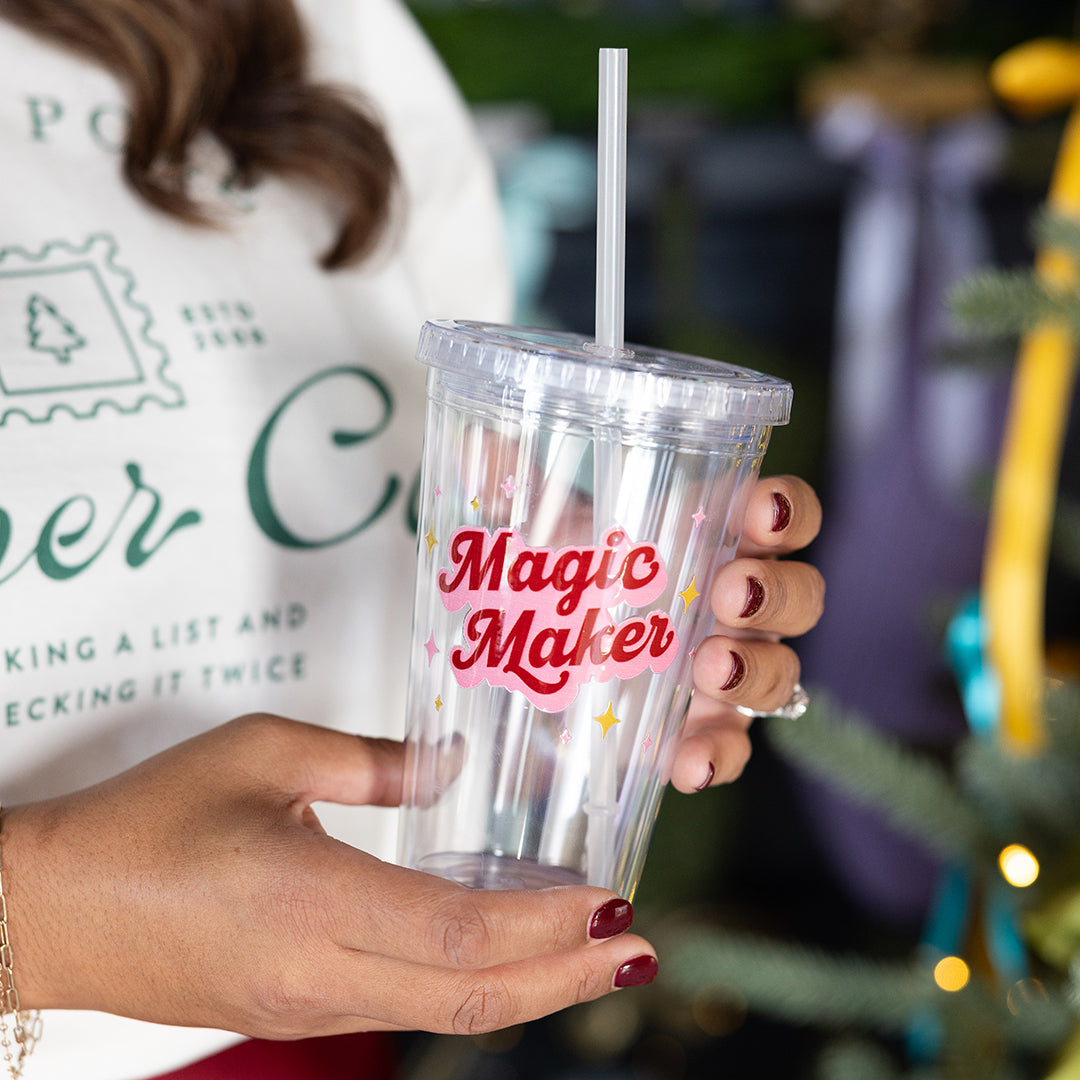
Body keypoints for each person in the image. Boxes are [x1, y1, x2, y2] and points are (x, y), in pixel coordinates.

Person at [0, 1, 825, 1078]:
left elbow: (444, 489)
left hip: (323, 1013)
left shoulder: (325, 27)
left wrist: (558, 645)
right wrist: (40, 918)